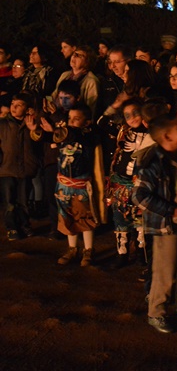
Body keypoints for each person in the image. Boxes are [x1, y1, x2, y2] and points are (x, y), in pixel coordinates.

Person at [132, 115, 177, 334]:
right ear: (167, 136)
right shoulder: (153, 163)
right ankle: (156, 312)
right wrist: (170, 210)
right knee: (165, 271)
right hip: (169, 226)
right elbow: (139, 195)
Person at [45, 104, 104, 267]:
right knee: (66, 216)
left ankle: (88, 250)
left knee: (84, 217)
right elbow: (49, 137)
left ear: (87, 122)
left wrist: (57, 126)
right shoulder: (64, 136)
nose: (71, 122)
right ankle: (72, 249)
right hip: (63, 184)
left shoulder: (88, 137)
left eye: (76, 119)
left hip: (80, 185)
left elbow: (75, 136)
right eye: (69, 118)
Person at [104, 98, 150, 269]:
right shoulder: (123, 131)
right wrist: (115, 105)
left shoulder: (152, 133)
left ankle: (141, 254)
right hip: (120, 185)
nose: (132, 118)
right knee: (120, 220)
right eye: (127, 115)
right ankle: (121, 254)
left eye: (136, 113)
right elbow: (102, 121)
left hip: (141, 185)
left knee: (141, 223)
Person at [0, 93, 39, 240]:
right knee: (9, 201)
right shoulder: (2, 124)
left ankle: (24, 224)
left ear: (27, 109)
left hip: (25, 168)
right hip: (7, 168)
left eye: (19, 105)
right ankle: (12, 228)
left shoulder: (31, 124)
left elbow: (38, 145)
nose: (14, 107)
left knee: (23, 200)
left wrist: (34, 130)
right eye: (12, 104)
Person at [52, 45, 100, 118]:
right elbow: (55, 95)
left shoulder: (91, 81)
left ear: (87, 62)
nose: (74, 56)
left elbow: (91, 108)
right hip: (59, 115)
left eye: (80, 56)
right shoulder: (65, 75)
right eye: (74, 54)